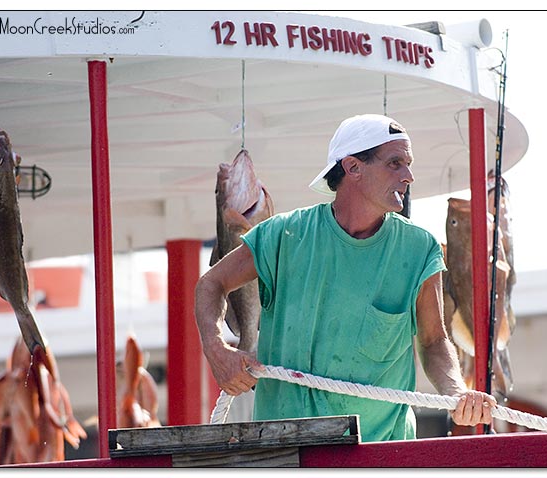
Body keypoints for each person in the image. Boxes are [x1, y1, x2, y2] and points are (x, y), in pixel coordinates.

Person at [195, 114, 497, 442]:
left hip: (383, 453)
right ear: (353, 167)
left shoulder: (420, 248)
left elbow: (433, 340)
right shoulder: (283, 233)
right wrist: (216, 348)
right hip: (285, 449)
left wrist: (457, 392)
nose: (409, 176)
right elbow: (211, 283)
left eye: (408, 164)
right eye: (395, 163)